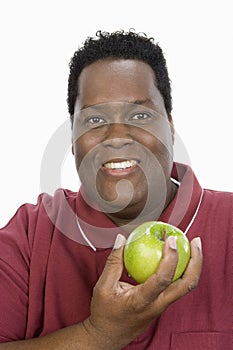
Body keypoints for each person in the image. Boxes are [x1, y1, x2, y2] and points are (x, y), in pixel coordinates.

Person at [0, 30, 232, 350]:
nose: (117, 136)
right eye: (94, 119)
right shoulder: (29, 235)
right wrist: (100, 334)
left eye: (140, 115)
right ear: (72, 138)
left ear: (171, 127)